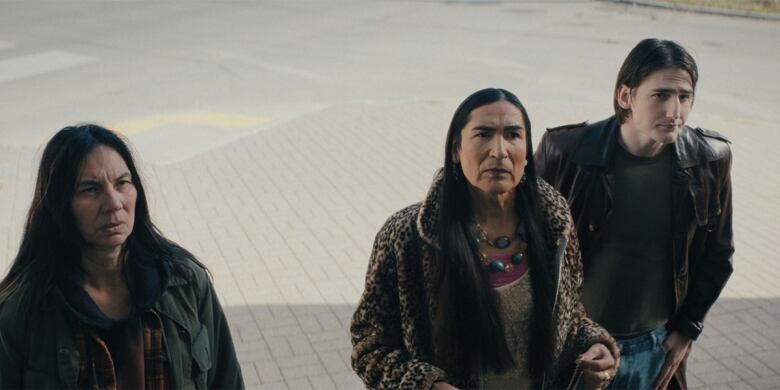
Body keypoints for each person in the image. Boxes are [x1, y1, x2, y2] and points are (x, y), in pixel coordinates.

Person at [351, 88, 619, 389]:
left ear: (527, 152)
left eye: (513, 135)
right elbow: (369, 346)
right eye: (484, 134)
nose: (500, 150)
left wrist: (596, 345)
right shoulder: (407, 237)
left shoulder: (554, 227)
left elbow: (570, 314)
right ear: (456, 149)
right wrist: (427, 385)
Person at [535, 38, 734, 389]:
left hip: (652, 347)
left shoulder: (709, 160)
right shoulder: (566, 152)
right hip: (577, 348)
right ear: (626, 96)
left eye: (684, 97)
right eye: (660, 95)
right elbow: (529, 246)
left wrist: (687, 329)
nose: (675, 111)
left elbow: (719, 254)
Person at [0, 124, 243, 389]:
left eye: (122, 183)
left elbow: (226, 381)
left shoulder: (185, 284)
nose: (114, 202)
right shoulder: (21, 312)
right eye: (90, 189)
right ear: (60, 206)